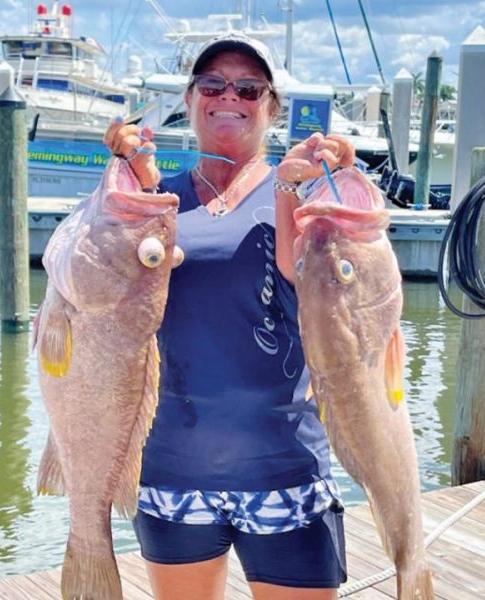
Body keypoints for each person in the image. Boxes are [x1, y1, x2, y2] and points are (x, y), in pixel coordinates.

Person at [104, 32, 356, 600]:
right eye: (213, 84)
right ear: (190, 99)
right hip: (172, 469)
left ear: (271, 107)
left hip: (285, 468)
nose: (230, 97)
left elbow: (342, 270)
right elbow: (97, 300)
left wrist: (309, 178)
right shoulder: (152, 201)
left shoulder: (300, 193)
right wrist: (128, 175)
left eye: (248, 87)